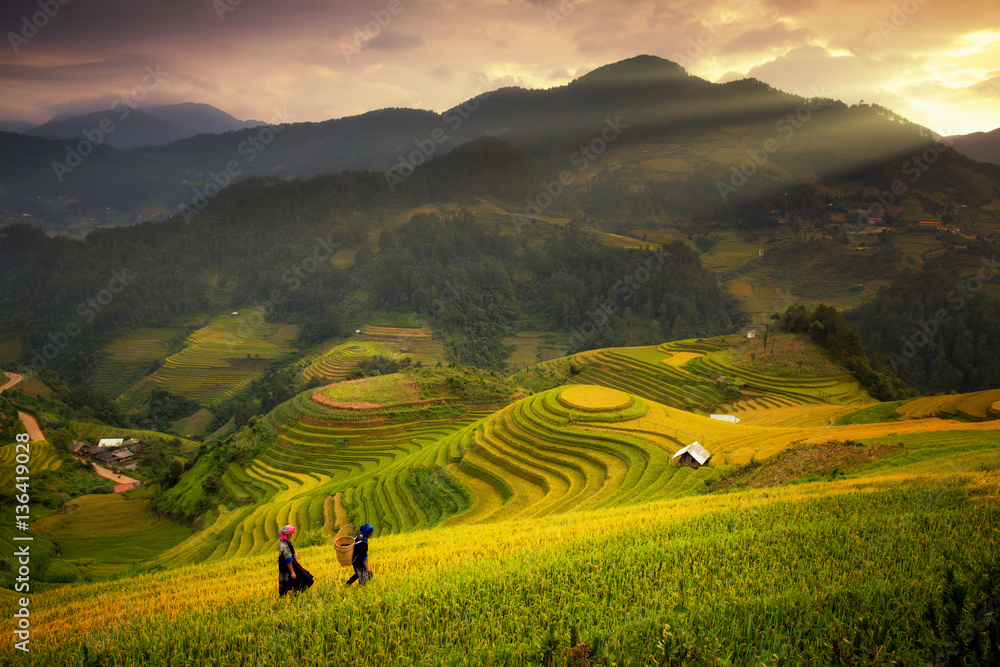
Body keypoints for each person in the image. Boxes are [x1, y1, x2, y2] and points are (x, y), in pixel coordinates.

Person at [277, 524, 314, 597]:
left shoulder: (283, 541)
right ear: (288, 534)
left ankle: (295, 594)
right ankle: (295, 594)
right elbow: (288, 559)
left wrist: (294, 553)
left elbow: (289, 551)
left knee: (293, 581)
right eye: (292, 533)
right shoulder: (283, 545)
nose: (293, 535)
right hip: (289, 565)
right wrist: (292, 572)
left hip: (285, 564)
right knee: (307, 579)